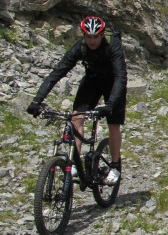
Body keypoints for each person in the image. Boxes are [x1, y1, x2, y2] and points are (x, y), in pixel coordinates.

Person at [26, 16, 128, 185]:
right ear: (84, 35)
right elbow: (57, 72)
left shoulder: (113, 45)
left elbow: (120, 76)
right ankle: (74, 164)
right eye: (88, 37)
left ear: (102, 35)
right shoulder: (80, 47)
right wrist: (37, 100)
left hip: (113, 83)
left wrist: (110, 105)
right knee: (76, 117)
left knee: (113, 123)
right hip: (93, 80)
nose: (92, 41)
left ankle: (115, 166)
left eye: (95, 37)